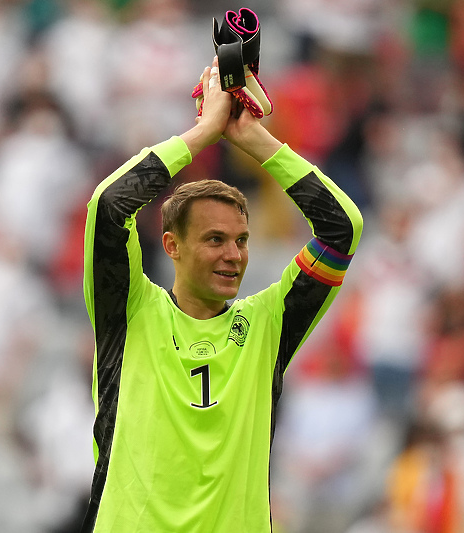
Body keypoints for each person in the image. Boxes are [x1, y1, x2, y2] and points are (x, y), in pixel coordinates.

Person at [80, 57, 363, 532]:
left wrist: (256, 142)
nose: (234, 254)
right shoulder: (130, 313)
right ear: (171, 245)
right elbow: (109, 206)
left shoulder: (267, 325)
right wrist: (203, 134)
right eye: (215, 239)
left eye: (242, 240)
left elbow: (342, 228)